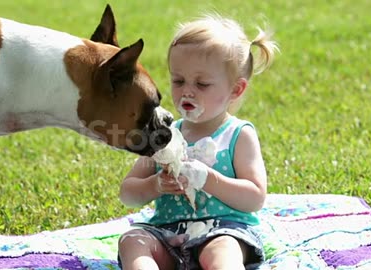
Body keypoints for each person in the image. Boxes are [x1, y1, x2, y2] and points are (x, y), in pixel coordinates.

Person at [117, 12, 279, 270]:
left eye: (202, 84)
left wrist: (208, 179)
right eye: (178, 81)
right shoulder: (164, 135)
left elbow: (255, 197)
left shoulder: (238, 134)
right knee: (131, 241)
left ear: (235, 90)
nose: (187, 91)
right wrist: (155, 184)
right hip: (168, 233)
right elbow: (128, 193)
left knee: (222, 251)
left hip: (223, 230)